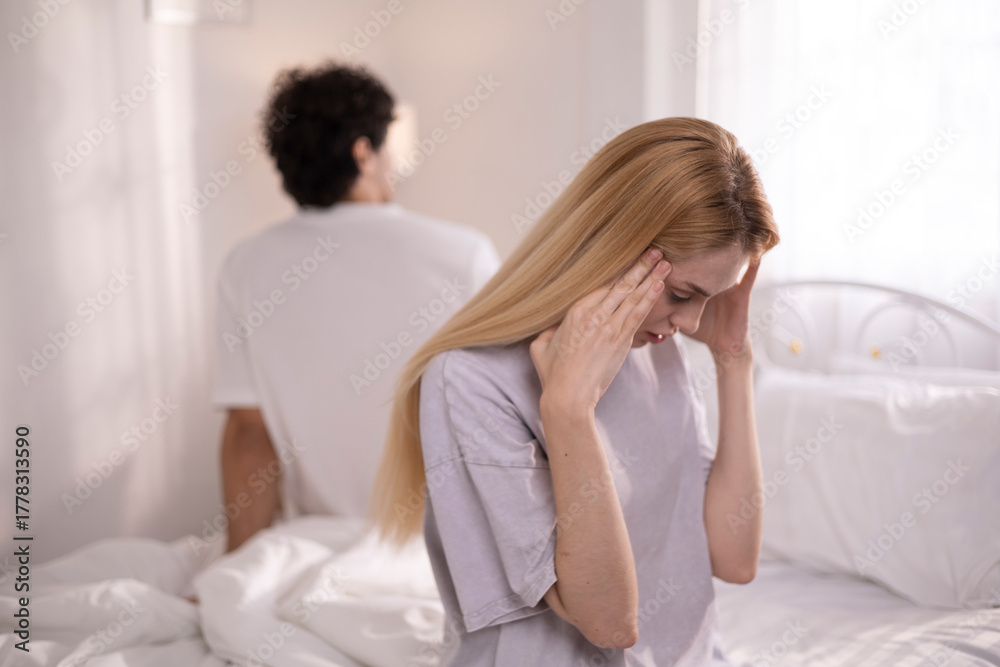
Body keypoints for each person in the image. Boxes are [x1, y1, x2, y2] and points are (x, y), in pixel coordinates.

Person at [368, 117, 780, 665]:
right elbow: (609, 623)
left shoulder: (655, 348)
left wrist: (733, 360)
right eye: (683, 294)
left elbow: (735, 560)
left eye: (710, 297)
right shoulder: (468, 381)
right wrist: (568, 409)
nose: (691, 322)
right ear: (611, 246)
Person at [213, 62, 501, 554]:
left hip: (314, 548)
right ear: (363, 152)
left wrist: (236, 566)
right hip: (440, 551)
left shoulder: (245, 265)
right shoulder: (463, 255)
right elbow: (500, 419)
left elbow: (249, 436)